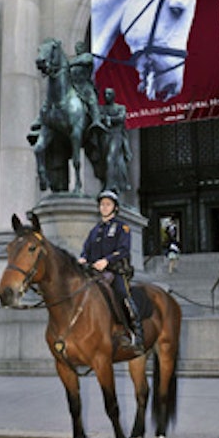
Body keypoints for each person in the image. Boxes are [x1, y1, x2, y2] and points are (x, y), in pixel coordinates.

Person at [78, 190, 144, 354]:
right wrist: (83, 258)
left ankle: (135, 334)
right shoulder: (95, 230)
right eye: (102, 204)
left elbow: (123, 250)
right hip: (94, 273)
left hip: (115, 271)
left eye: (108, 204)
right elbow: (86, 249)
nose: (104, 207)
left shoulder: (123, 227)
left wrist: (107, 260)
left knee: (122, 295)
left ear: (115, 207)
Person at [99, 87, 132, 193]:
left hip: (116, 136)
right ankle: (107, 183)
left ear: (113, 95)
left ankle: (110, 186)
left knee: (110, 159)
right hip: (104, 136)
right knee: (104, 161)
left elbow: (121, 118)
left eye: (109, 94)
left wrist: (109, 119)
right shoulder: (102, 108)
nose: (106, 96)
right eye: (105, 94)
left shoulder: (120, 108)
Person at [69, 41, 106, 131]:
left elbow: (86, 60)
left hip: (84, 84)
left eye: (80, 47)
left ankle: (96, 121)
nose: (78, 49)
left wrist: (69, 63)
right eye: (77, 47)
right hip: (74, 86)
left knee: (92, 100)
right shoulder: (74, 60)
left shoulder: (87, 56)